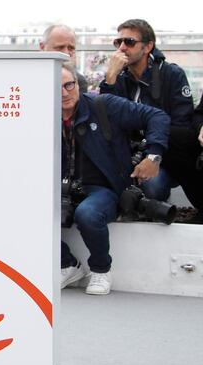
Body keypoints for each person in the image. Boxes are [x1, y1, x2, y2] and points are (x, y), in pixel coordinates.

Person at [59, 63, 169, 295]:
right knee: (20, 211)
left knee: (88, 214)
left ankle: (100, 270)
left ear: (78, 85)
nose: (64, 92)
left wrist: (153, 155)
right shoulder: (38, 116)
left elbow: (156, 116)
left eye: (69, 85)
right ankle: (67, 264)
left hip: (103, 188)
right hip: (60, 189)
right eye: (55, 87)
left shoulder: (103, 105)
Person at [98, 19, 195, 204]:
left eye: (129, 42)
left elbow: (182, 126)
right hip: (126, 154)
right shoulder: (118, 76)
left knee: (152, 185)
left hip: (165, 155)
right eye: (118, 42)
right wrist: (110, 78)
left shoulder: (171, 74)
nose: (122, 48)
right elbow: (105, 120)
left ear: (148, 46)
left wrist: (151, 154)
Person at [40, 24, 88, 92]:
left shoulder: (79, 81)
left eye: (71, 48)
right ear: (42, 47)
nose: (66, 53)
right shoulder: (28, 75)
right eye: (60, 47)